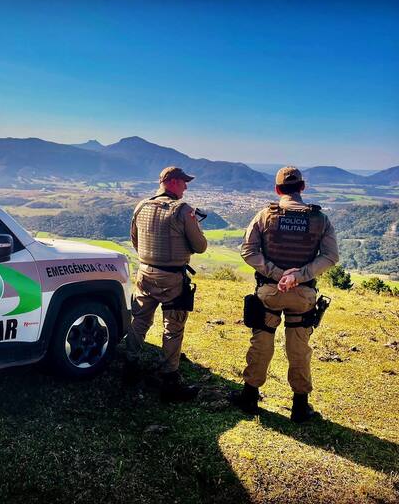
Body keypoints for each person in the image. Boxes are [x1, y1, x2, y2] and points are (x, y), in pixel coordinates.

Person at [232, 166, 339, 422]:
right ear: (302, 187)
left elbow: (248, 252)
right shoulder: (320, 219)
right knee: (299, 348)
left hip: (270, 291)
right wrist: (297, 276)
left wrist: (278, 274)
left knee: (262, 341)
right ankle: (300, 406)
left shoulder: (264, 216)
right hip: (302, 295)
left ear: (277, 189)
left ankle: (249, 397)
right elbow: (330, 257)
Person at [124, 166, 207, 402]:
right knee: (173, 327)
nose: (186, 186)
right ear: (171, 182)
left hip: (145, 272)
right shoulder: (183, 211)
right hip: (171, 278)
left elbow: (135, 240)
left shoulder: (141, 205)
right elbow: (200, 246)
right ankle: (170, 380)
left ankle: (129, 366)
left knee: (139, 319)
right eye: (183, 182)